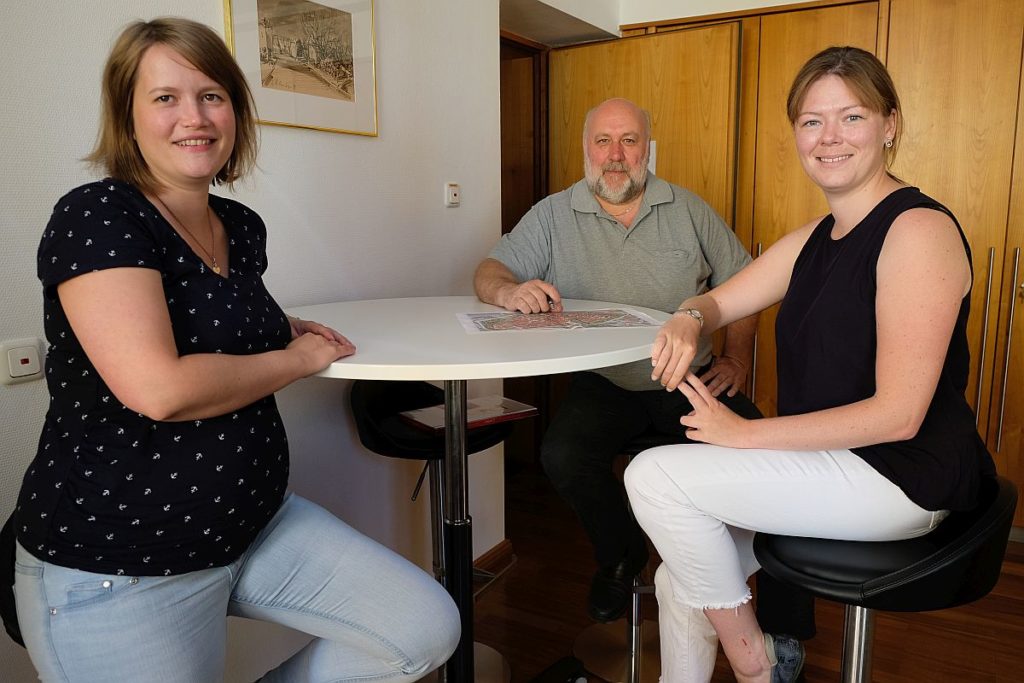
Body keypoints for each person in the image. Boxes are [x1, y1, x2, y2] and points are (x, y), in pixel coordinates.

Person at [11, 18, 459, 683]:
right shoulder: (100, 215)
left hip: (256, 524)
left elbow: (218, 311)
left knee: (423, 627)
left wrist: (286, 325)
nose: (194, 116)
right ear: (127, 116)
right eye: (165, 97)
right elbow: (159, 388)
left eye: (212, 95)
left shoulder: (239, 226)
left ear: (237, 112)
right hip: (122, 562)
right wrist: (299, 359)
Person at [624, 46, 998, 683]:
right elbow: (718, 300)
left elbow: (900, 416)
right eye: (811, 121)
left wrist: (744, 435)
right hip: (831, 464)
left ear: (890, 124)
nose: (829, 138)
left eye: (850, 117)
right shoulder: (817, 237)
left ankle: (756, 667)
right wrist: (690, 315)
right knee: (680, 575)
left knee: (654, 477)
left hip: (902, 476)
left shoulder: (917, 232)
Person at [474, 97, 813, 662]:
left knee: (776, 470)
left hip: (691, 380)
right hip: (606, 383)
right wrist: (508, 291)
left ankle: (786, 633)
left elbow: (745, 287)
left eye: (629, 141)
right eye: (603, 141)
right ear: (586, 149)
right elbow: (489, 270)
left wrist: (736, 361)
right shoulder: (554, 214)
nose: (615, 155)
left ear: (647, 149)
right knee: (562, 455)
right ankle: (622, 553)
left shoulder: (687, 208)